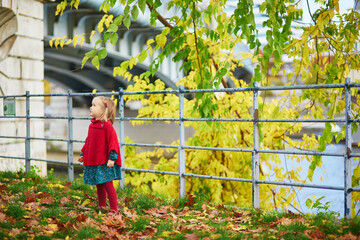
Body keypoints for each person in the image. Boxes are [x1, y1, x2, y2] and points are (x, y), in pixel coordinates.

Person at [78, 96, 121, 213]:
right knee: (99, 184)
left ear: (104, 110)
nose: (91, 107)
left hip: (105, 161)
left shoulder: (107, 126)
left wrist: (112, 158)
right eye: (91, 104)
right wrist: (83, 153)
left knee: (108, 184)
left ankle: (113, 208)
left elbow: (113, 143)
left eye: (94, 105)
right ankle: (102, 206)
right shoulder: (92, 126)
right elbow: (89, 141)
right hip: (95, 160)